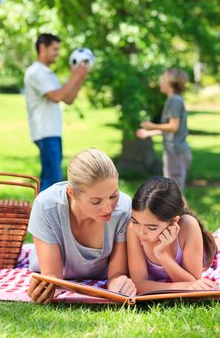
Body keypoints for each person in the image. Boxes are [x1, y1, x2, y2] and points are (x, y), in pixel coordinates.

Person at [27, 148, 136, 304]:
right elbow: (54, 277)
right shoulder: (47, 206)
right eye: (96, 201)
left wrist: (119, 284)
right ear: (71, 192)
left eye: (113, 196)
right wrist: (47, 288)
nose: (108, 208)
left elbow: (116, 274)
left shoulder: (124, 208)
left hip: (100, 277)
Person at [127, 176, 219, 293]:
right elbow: (139, 284)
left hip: (212, 248)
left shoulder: (188, 226)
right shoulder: (133, 230)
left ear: (173, 222)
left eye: (151, 227)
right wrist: (186, 286)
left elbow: (195, 281)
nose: (140, 232)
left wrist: (162, 255)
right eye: (135, 221)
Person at [24, 33, 88, 191]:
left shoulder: (49, 74)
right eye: (55, 49)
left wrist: (80, 78)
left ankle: (40, 213)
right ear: (42, 48)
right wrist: (74, 76)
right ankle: (43, 214)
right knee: (52, 178)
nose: (58, 53)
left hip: (53, 132)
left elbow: (68, 99)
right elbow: (56, 96)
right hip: (44, 132)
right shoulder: (35, 72)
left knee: (49, 176)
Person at [137, 68, 192, 193]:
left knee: (174, 192)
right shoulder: (175, 100)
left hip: (175, 153)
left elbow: (173, 126)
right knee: (174, 192)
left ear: (171, 82)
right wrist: (149, 133)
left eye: (163, 79)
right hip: (176, 152)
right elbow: (171, 129)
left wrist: (152, 126)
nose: (160, 82)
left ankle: (189, 214)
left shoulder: (174, 101)